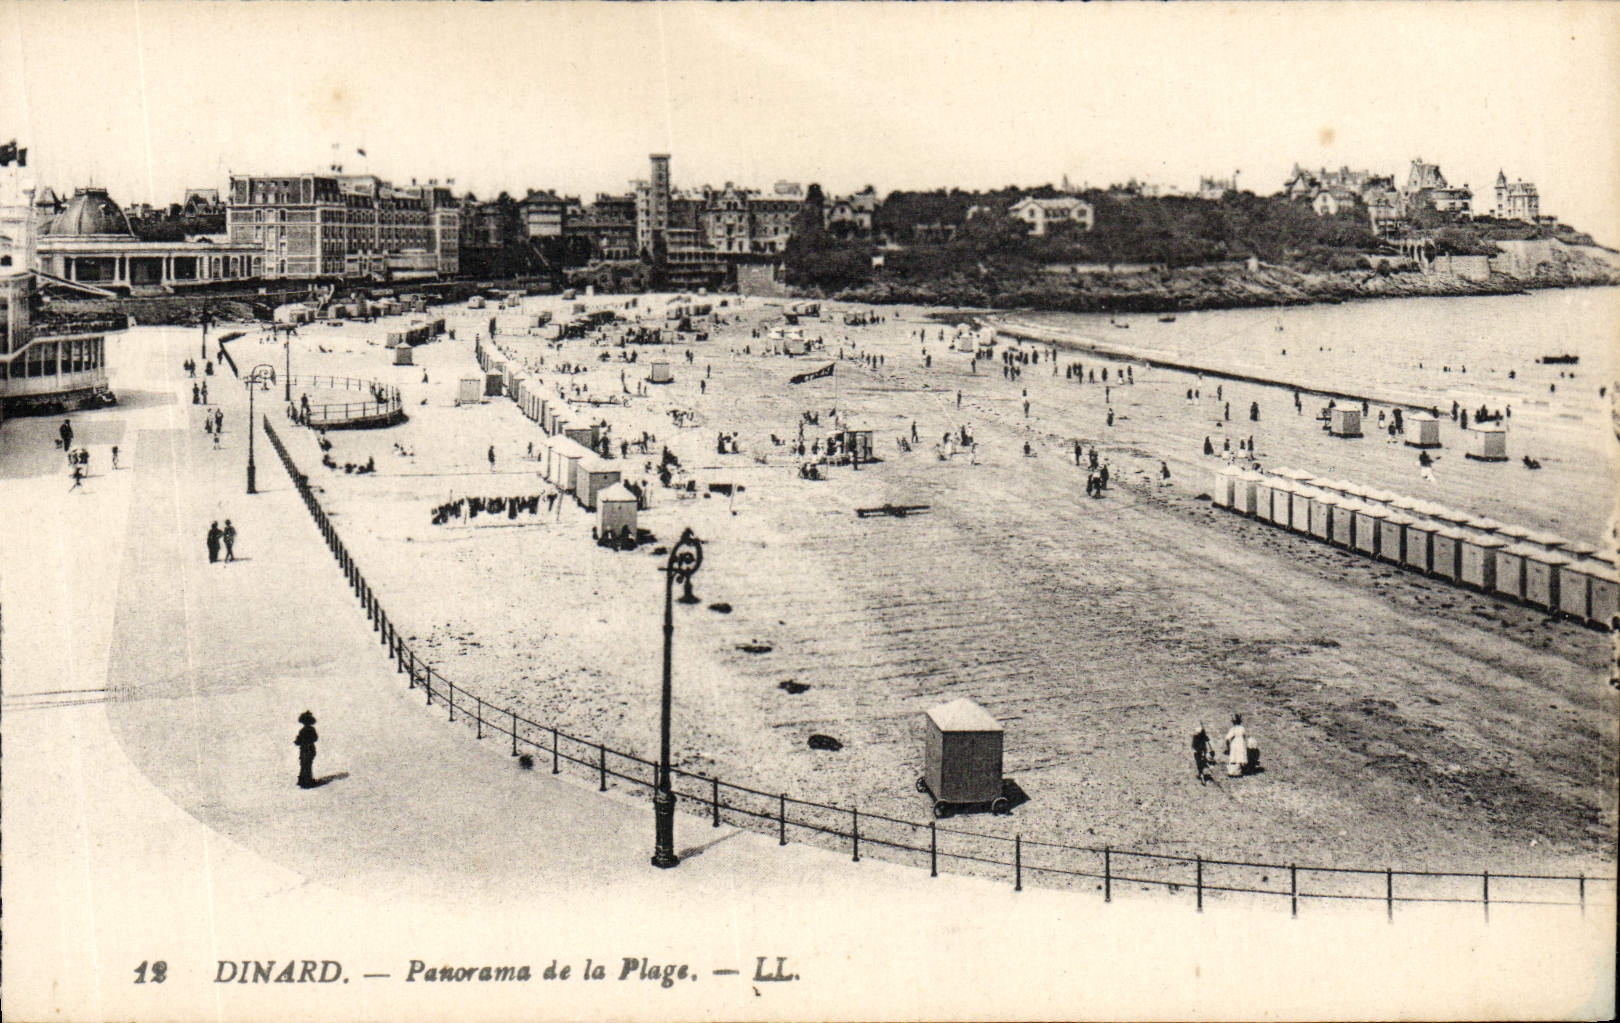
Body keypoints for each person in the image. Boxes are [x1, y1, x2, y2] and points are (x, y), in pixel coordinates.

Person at [294, 711, 319, 789]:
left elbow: (298, 740)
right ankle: (306, 780)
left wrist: (299, 741)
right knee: (307, 764)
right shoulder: (311, 729)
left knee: (304, 764)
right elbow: (315, 738)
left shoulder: (303, 730)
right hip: (309, 749)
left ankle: (304, 781)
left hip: (305, 749)